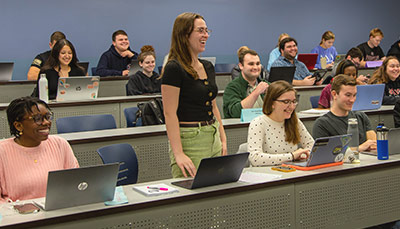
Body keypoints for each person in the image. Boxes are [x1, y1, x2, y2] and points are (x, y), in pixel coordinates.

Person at [161, 12, 227, 178]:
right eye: (200, 31)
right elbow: (169, 113)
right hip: (190, 139)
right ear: (184, 35)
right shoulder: (174, 68)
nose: (205, 35)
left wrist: (223, 138)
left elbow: (213, 105)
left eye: (207, 31)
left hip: (213, 135)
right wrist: (179, 154)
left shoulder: (208, 67)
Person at [0, 97, 79, 202]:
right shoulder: (2, 151)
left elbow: (76, 182)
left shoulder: (60, 144)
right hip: (18, 215)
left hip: (58, 211)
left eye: (47, 117)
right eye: (37, 119)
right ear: (18, 126)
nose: (46, 122)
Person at [247, 80, 314, 166]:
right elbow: (255, 158)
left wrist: (302, 154)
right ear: (272, 103)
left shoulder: (294, 121)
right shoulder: (258, 123)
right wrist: (291, 156)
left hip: (290, 172)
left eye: (293, 101)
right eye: (286, 102)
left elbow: (312, 146)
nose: (292, 107)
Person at [313, 75, 377, 152]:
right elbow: (325, 154)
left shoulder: (361, 117)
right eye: (348, 95)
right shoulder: (322, 124)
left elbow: (373, 144)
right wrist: (359, 148)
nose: (352, 100)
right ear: (334, 94)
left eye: (354, 95)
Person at [223, 49, 268, 118]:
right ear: (241, 66)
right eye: (251, 64)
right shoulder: (232, 87)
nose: (255, 67)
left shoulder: (266, 85)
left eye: (258, 64)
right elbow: (235, 113)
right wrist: (256, 92)